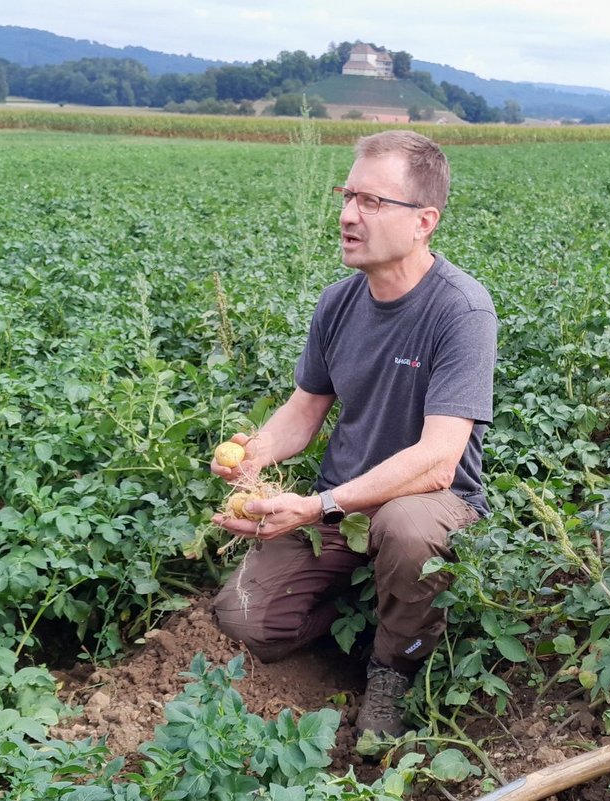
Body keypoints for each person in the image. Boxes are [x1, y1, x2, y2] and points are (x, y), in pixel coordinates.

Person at [210, 130, 498, 738]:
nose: (346, 215)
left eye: (371, 202)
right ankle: (364, 616)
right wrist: (254, 454)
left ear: (424, 221)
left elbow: (439, 461)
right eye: (346, 196)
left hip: (429, 503)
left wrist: (317, 505)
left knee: (406, 526)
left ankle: (392, 668)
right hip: (339, 506)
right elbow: (306, 407)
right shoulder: (338, 303)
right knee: (244, 618)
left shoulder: (461, 311)